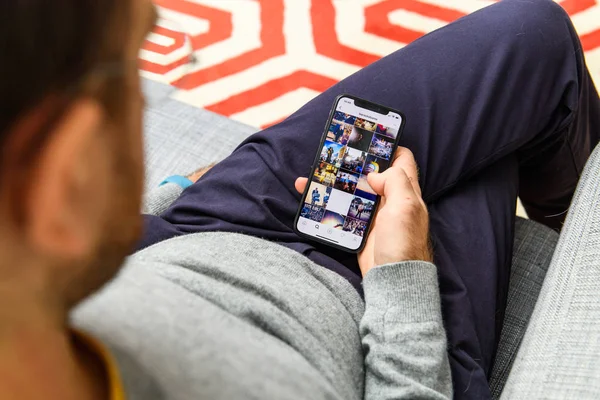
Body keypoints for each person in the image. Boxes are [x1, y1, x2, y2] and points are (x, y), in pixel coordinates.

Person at [1, 2, 599, 400]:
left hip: (200, 230)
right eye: (134, 72)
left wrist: (177, 196)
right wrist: (403, 279)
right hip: (380, 320)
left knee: (529, 35)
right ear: (70, 170)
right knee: (505, 123)